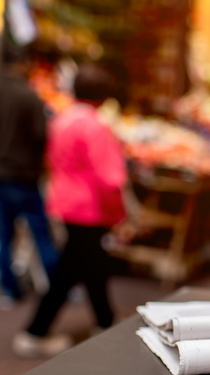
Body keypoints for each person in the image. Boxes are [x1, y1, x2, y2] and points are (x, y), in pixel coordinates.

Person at [13, 63, 127, 358]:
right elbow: (111, 178)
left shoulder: (62, 119)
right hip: (89, 207)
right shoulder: (96, 126)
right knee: (74, 267)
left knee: (90, 264)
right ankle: (35, 332)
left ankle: (105, 321)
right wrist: (119, 214)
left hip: (65, 202)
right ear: (105, 96)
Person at [0, 45, 59, 309]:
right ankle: (59, 288)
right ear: (23, 62)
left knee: (3, 236)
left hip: (3, 175)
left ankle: (10, 290)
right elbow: (42, 137)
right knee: (41, 233)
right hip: (23, 176)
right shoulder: (28, 97)